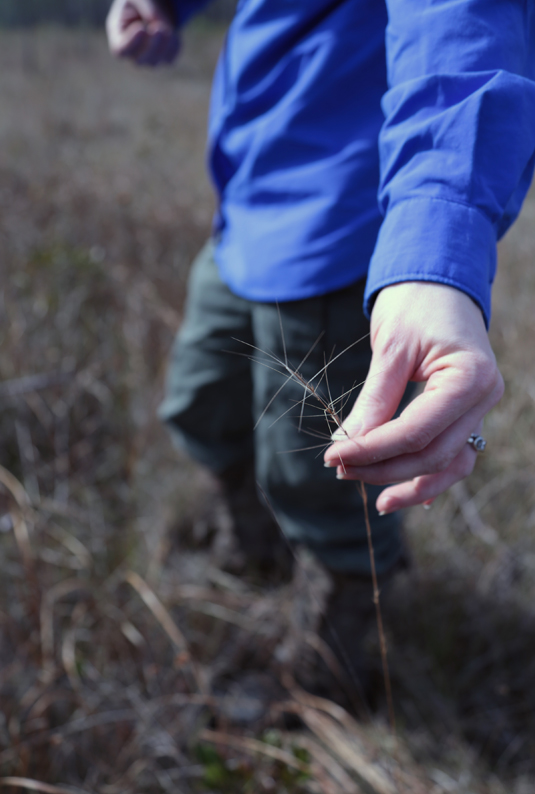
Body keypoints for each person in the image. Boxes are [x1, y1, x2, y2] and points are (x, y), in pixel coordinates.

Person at [106, 0, 535, 694]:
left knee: (319, 471)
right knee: (197, 401)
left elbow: (456, 29)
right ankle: (252, 542)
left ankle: (334, 643)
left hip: (342, 223)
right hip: (245, 205)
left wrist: (434, 247)